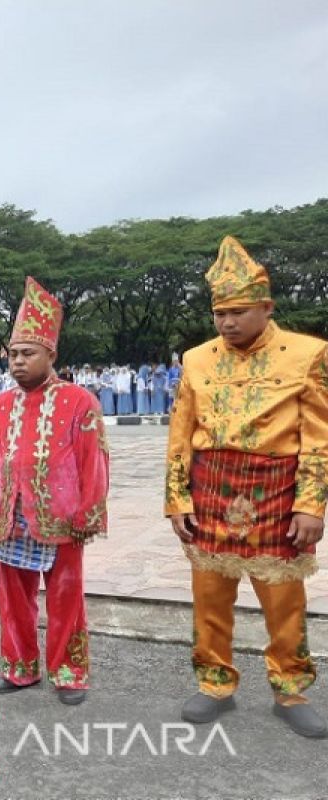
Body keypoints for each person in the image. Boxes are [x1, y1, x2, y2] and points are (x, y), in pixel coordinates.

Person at [166, 236, 328, 739]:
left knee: (284, 599)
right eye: (220, 313)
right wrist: (176, 498)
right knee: (209, 596)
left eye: (238, 312)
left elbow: (319, 437)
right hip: (210, 487)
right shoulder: (196, 360)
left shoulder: (308, 354)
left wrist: (311, 505)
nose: (227, 322)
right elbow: (179, 431)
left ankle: (290, 687)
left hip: (276, 491)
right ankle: (214, 682)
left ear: (266, 307)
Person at [0, 277, 110, 706]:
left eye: (27, 353)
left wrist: (89, 513)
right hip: (11, 516)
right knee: (14, 597)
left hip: (61, 516)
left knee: (67, 596)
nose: (17, 362)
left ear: (51, 354)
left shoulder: (80, 401)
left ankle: (70, 673)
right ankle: (20, 668)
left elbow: (95, 462)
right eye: (12, 354)